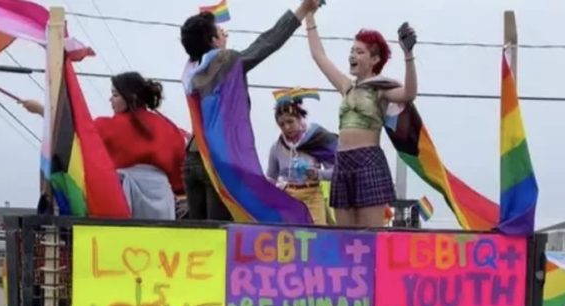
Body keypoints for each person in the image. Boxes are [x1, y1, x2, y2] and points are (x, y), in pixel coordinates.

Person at [179, 0, 322, 221]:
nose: (225, 33)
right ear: (213, 41)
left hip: (192, 157)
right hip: (218, 160)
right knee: (221, 233)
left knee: (198, 236)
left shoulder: (190, 71)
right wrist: (302, 10)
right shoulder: (225, 61)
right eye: (220, 31)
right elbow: (266, 44)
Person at [22, 72, 187, 220]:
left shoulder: (108, 126)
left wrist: (42, 111)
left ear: (132, 97)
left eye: (115, 95)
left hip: (122, 196)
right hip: (161, 197)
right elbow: (179, 171)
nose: (110, 100)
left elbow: (74, 132)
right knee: (157, 245)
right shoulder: (169, 127)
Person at [304, 14, 418, 227]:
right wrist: (309, 15)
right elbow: (319, 55)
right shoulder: (347, 86)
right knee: (344, 238)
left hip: (368, 162)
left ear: (374, 60)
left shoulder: (381, 89)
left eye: (359, 51)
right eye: (352, 51)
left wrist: (408, 55)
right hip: (343, 163)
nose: (352, 55)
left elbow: (409, 93)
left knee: (370, 237)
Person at [267, 94, 337, 225]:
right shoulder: (276, 148)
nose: (287, 127)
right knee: (290, 237)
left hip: (313, 196)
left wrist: (318, 174)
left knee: (317, 235)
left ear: (300, 118)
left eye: (290, 121)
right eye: (282, 124)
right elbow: (271, 178)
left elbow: (337, 171)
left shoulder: (316, 140)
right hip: (288, 197)